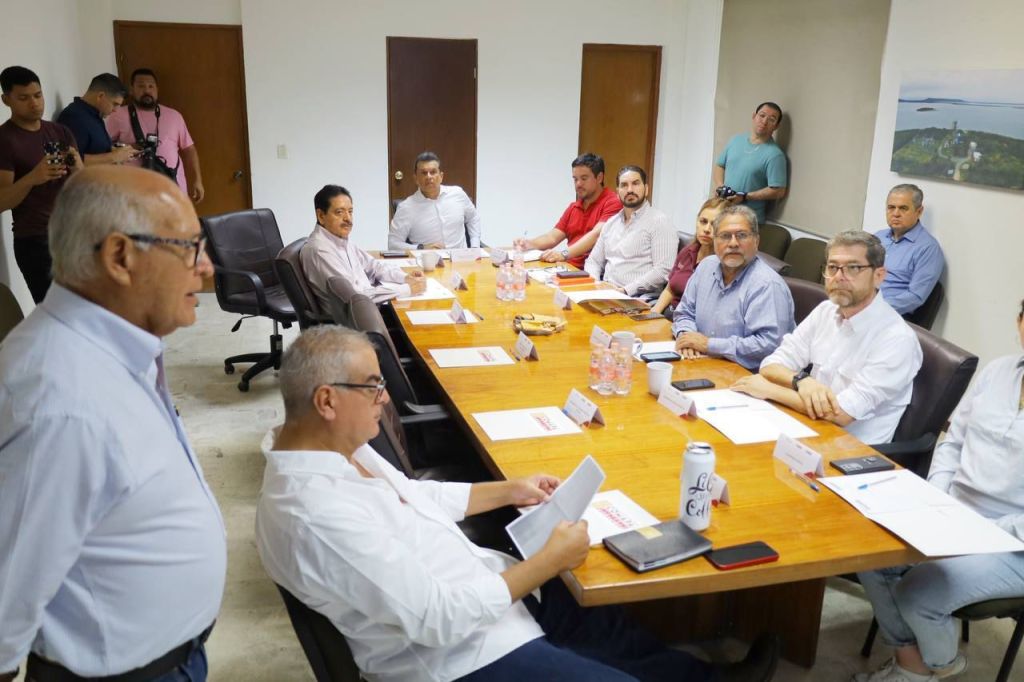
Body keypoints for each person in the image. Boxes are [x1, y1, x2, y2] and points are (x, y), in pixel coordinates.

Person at [255, 325, 779, 682]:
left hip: (481, 588)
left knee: (603, 623)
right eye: (373, 387)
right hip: (458, 658)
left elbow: (417, 495)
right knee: (572, 600)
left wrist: (510, 490)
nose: (385, 397)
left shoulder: (333, 447)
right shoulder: (313, 514)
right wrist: (547, 562)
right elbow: (437, 619)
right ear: (327, 400)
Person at [0, 166, 226, 681]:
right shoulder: (60, 404)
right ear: (121, 257)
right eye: (190, 247)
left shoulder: (112, 348)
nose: (207, 267)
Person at [851, 300, 1024, 682]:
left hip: (1013, 542)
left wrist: (984, 531)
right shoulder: (998, 372)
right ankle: (913, 663)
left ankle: (941, 664)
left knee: (919, 594)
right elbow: (954, 441)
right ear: (1019, 322)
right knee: (867, 548)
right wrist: (937, 497)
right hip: (955, 511)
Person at [733, 230, 922, 444]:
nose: (839, 277)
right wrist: (801, 380)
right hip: (806, 427)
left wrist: (770, 390)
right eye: (832, 267)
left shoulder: (897, 339)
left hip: (851, 449)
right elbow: (771, 365)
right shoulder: (826, 310)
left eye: (853, 268)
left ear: (878, 276)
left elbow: (840, 413)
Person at [671, 205, 794, 371]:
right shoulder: (706, 266)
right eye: (725, 236)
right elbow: (685, 312)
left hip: (748, 376)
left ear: (756, 241)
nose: (733, 243)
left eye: (742, 235)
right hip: (699, 363)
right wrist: (687, 337)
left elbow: (768, 345)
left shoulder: (767, 285)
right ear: (715, 241)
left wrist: (709, 345)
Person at [0, 65, 82, 303]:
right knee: (56, 313)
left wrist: (79, 169)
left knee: (87, 309)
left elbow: (83, 187)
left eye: (38, 95)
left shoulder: (60, 132)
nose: (34, 103)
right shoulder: (4, 140)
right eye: (23, 98)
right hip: (35, 240)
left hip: (72, 233)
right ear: (6, 100)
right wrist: (33, 177)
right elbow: (2, 201)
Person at [301, 184, 426, 306]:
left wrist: (405, 278)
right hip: (355, 317)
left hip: (367, 308)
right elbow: (356, 298)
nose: (348, 218)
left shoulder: (339, 240)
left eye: (350, 211)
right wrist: (407, 289)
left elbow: (374, 267)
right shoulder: (320, 250)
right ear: (321, 216)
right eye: (339, 212)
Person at [106, 68, 204, 202]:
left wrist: (197, 180)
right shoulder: (117, 115)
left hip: (173, 187)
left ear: (157, 89)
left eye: (151, 86)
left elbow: (189, 150)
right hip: (134, 192)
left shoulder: (174, 116)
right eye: (141, 86)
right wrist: (128, 147)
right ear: (132, 89)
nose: (147, 90)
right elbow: (104, 148)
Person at [583, 165, 677, 299]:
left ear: (646, 189)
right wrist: (595, 285)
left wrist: (625, 290)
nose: (630, 190)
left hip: (636, 298)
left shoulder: (660, 222)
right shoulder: (611, 223)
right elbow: (593, 261)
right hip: (606, 293)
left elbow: (664, 270)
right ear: (618, 192)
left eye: (635, 183)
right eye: (624, 185)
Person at [515, 152, 622, 269]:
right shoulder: (573, 207)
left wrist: (563, 254)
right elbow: (552, 237)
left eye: (584, 178)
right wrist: (529, 244)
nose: (578, 184)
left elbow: (596, 235)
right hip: (568, 267)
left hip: (592, 271)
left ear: (599, 178)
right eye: (575, 179)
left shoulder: (613, 202)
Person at [873, 184, 945, 316]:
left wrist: (872, 309)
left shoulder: (928, 248)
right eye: (891, 207)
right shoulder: (878, 237)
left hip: (888, 315)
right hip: (860, 305)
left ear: (919, 211)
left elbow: (915, 297)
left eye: (903, 208)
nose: (896, 214)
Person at [712, 102, 788, 225]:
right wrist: (720, 186)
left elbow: (778, 191)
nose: (764, 121)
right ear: (754, 116)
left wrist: (745, 196)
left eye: (771, 120)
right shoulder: (736, 140)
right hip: (722, 211)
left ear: (776, 126)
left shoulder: (775, 155)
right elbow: (720, 165)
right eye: (762, 115)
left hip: (747, 220)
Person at [651, 197, 729, 316]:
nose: (707, 229)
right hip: (668, 313)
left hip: (691, 321)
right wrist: (653, 314)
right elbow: (670, 289)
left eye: (714, 224)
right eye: (703, 221)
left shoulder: (724, 264)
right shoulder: (688, 251)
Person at [389, 151, 481, 250]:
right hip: (428, 258)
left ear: (441, 176)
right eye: (424, 173)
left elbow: (473, 218)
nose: (429, 176)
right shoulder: (406, 207)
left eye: (433, 172)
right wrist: (421, 248)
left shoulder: (457, 194)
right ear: (415, 178)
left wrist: (475, 246)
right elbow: (393, 244)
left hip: (460, 257)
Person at [56, 72, 137, 166]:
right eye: (114, 104)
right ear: (100, 96)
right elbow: (69, 160)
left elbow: (95, 149)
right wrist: (114, 156)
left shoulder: (95, 114)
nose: (115, 110)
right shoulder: (73, 117)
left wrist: (115, 150)